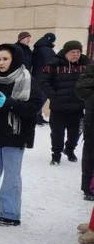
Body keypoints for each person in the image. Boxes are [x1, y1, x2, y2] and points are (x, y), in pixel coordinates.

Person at [0, 44, 41, 226]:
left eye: (5, 59)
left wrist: (9, 103)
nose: (1, 63)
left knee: (11, 175)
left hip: (15, 134)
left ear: (15, 60)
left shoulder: (26, 79)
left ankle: (10, 213)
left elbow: (34, 107)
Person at [40, 40, 87, 164]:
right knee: (57, 133)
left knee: (76, 132)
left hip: (77, 106)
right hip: (58, 107)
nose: (76, 54)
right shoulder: (54, 63)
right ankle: (56, 154)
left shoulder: (86, 63)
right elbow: (43, 80)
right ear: (66, 52)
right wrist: (53, 95)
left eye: (78, 52)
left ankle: (70, 149)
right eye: (73, 52)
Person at [76, 57, 94, 200]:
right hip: (92, 119)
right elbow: (81, 89)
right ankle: (89, 188)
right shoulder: (91, 68)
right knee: (91, 153)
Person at [32, 32, 57, 125]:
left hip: (37, 75)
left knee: (40, 96)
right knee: (43, 96)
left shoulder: (39, 47)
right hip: (44, 77)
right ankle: (35, 115)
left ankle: (38, 116)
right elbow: (50, 64)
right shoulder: (46, 49)